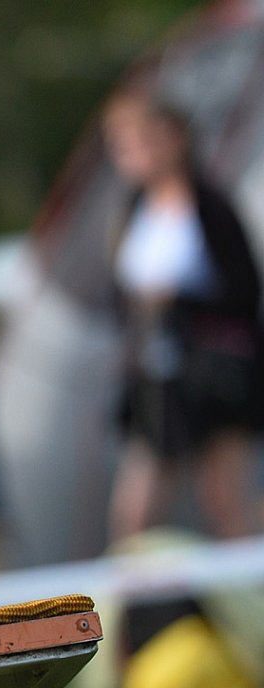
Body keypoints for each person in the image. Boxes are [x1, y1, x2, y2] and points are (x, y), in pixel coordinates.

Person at [101, 85, 262, 541]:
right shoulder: (133, 209)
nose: (129, 156)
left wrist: (178, 301)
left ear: (172, 137)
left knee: (225, 503)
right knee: (135, 512)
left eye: (138, 142)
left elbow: (245, 291)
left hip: (213, 376)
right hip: (157, 377)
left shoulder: (210, 206)